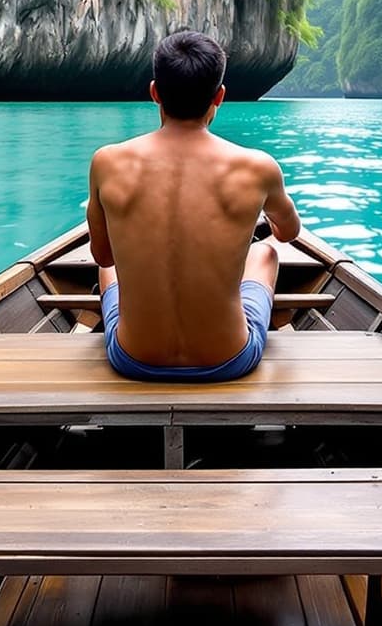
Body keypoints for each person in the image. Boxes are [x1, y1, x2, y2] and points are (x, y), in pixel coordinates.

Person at [86, 30, 302, 381]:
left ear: (154, 92)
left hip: (132, 359)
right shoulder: (258, 167)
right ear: (219, 96)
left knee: (109, 272)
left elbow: (104, 256)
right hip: (229, 359)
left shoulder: (107, 162)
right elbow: (288, 232)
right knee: (264, 255)